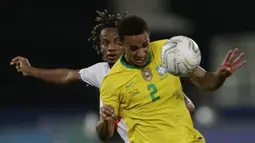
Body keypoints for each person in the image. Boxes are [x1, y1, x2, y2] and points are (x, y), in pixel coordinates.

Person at [9, 10, 195, 142]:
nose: (111, 48)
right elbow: (67, 75)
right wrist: (31, 70)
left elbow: (187, 105)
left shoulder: (153, 64)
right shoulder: (102, 72)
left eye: (116, 42)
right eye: (105, 43)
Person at [99, 15, 247, 143]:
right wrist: (106, 121)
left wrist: (220, 76)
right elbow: (105, 134)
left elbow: (206, 82)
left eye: (145, 45)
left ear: (149, 36)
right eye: (134, 49)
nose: (142, 53)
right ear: (121, 45)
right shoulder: (112, 81)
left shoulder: (168, 50)